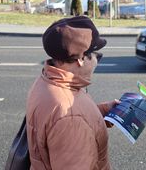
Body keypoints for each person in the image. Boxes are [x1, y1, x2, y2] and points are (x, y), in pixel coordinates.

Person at [26, 15, 118, 170]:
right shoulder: (69, 117)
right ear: (81, 59)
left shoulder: (48, 81)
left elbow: (59, 123)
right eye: (97, 56)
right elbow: (69, 121)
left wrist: (103, 112)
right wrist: (77, 120)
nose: (97, 61)